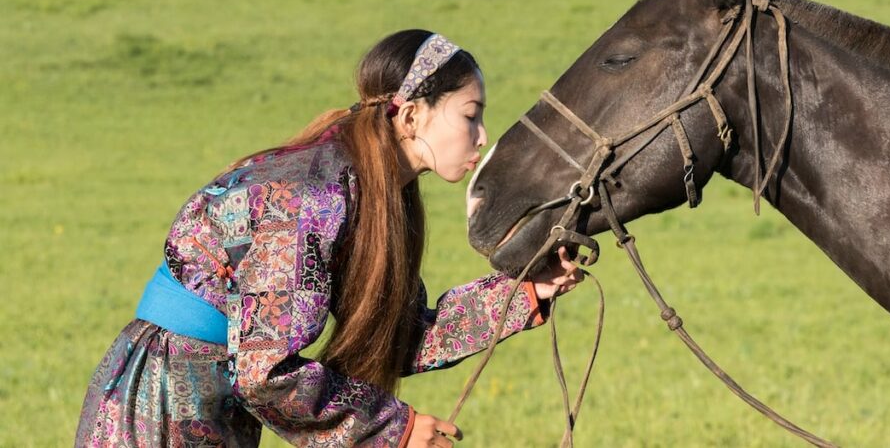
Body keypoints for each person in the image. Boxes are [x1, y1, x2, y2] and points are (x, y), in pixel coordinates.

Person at [76, 30, 583, 448]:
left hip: (211, 397)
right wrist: (395, 430)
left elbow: (399, 334)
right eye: (470, 114)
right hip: (163, 398)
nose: (482, 135)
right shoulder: (309, 197)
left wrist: (526, 292)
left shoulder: (379, 196)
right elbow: (264, 371)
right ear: (410, 116)